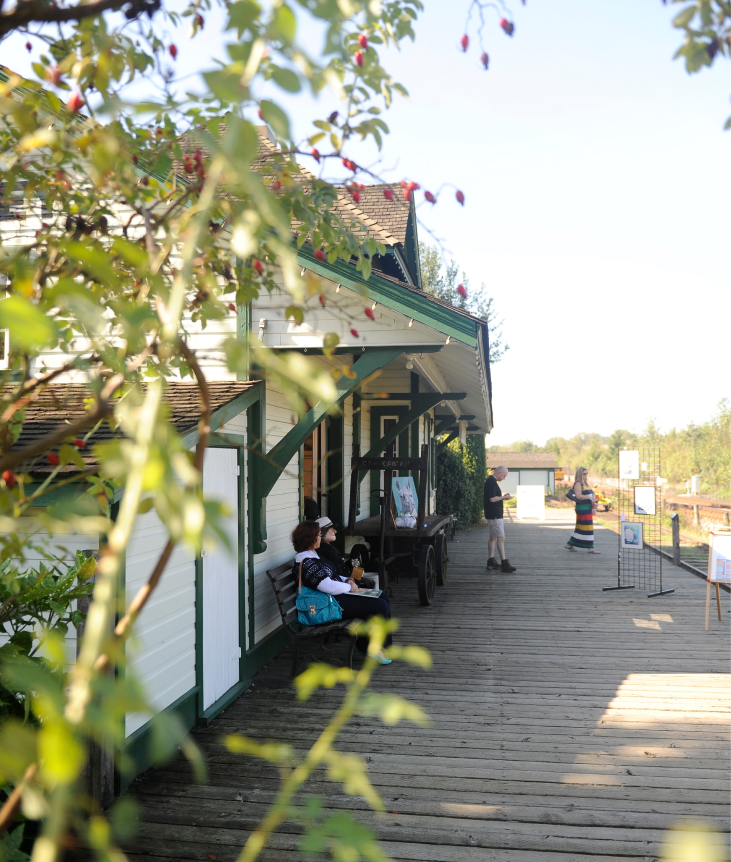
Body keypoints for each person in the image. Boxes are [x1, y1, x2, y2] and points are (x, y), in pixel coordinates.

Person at [291, 520, 393, 664]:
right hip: (330, 605)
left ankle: (382, 646)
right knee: (379, 606)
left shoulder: (313, 556)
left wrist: (348, 580)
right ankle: (371, 648)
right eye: (318, 535)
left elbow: (333, 576)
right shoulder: (307, 563)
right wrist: (350, 588)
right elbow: (327, 586)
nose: (320, 537)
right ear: (311, 539)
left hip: (336, 598)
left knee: (383, 597)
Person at [483, 466, 516, 573]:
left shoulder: (490, 481)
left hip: (492, 514)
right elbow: (492, 499)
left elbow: (493, 498)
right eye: (504, 476)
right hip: (495, 515)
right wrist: (504, 498)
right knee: (501, 538)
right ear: (499, 473)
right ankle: (504, 563)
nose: (504, 478)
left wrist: (502, 498)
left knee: (493, 537)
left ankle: (491, 560)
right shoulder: (492, 482)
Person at [565, 466, 600, 553]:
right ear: (580, 474)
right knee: (587, 526)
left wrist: (593, 496)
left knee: (581, 526)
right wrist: (589, 496)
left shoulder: (586, 484)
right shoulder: (578, 483)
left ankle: (570, 543)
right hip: (582, 507)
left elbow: (591, 493)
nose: (585, 475)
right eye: (584, 474)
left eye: (587, 474)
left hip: (587, 507)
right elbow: (578, 496)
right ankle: (590, 547)